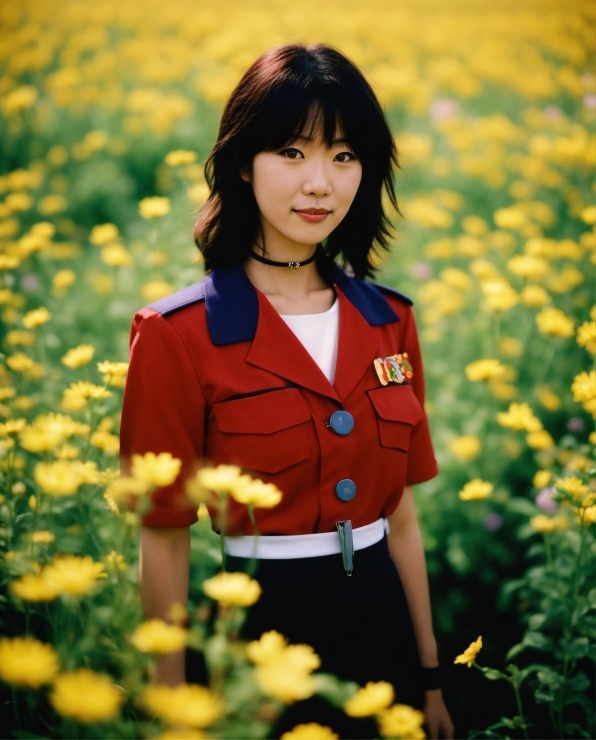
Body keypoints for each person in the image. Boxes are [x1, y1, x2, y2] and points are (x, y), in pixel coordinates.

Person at [120, 43, 455, 740]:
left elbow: (402, 519)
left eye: (344, 156)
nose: (321, 184)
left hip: (382, 628)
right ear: (243, 162)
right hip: (252, 631)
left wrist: (430, 679)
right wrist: (174, 707)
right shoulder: (175, 334)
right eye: (294, 153)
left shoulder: (390, 320)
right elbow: (164, 535)